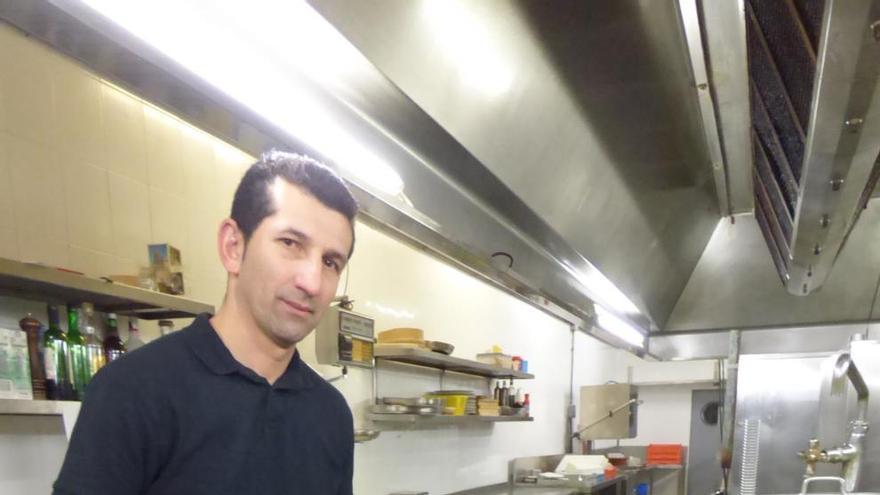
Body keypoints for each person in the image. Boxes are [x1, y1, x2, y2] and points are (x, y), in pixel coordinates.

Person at [54, 151, 358, 495]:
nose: (312, 282)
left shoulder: (331, 415)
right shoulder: (132, 391)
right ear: (233, 246)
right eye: (290, 243)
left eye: (331, 262)